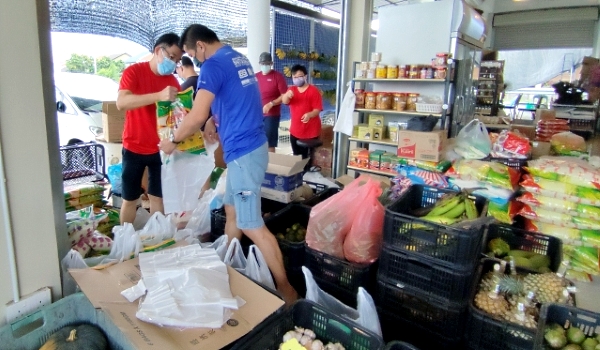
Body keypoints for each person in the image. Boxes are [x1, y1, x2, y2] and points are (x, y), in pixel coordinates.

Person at [159, 24, 298, 304]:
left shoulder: (211, 66)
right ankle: (228, 265)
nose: (195, 62)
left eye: (190, 54)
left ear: (200, 46)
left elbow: (196, 115)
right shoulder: (237, 57)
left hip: (244, 154)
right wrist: (214, 118)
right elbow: (234, 99)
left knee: (250, 223)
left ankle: (288, 291)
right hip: (246, 151)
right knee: (232, 212)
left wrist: (173, 140)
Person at [116, 33, 183, 224]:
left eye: (177, 61)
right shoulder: (134, 72)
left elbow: (179, 114)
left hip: (161, 150)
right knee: (130, 199)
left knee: (157, 197)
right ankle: (125, 242)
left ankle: (158, 239)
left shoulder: (172, 81)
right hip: (134, 146)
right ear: (158, 51)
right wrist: (158, 95)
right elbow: (122, 103)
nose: (173, 64)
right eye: (171, 57)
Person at [281, 64, 323, 159]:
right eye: (294, 77)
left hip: (310, 132)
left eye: (299, 76)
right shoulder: (291, 90)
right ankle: (299, 173)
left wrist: (309, 114)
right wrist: (286, 96)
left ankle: (307, 172)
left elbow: (317, 109)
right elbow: (285, 101)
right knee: (296, 158)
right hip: (295, 131)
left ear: (305, 76)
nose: (297, 79)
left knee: (306, 159)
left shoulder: (313, 91)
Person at [256, 52, 288, 152]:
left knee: (269, 142)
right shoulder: (256, 77)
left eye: (267, 64)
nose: (264, 66)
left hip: (271, 115)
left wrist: (271, 103)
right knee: (256, 141)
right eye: (262, 64)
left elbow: (284, 95)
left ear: (271, 63)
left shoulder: (277, 77)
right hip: (257, 114)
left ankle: (271, 165)